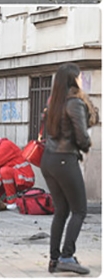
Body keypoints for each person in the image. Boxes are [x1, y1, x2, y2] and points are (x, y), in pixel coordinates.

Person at [41, 63, 94, 275]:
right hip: (64, 159)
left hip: (49, 160)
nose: (82, 80)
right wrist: (86, 146)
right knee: (79, 210)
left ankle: (54, 260)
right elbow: (82, 137)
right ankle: (66, 256)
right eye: (80, 77)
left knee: (61, 211)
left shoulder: (54, 102)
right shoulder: (74, 103)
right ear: (74, 80)